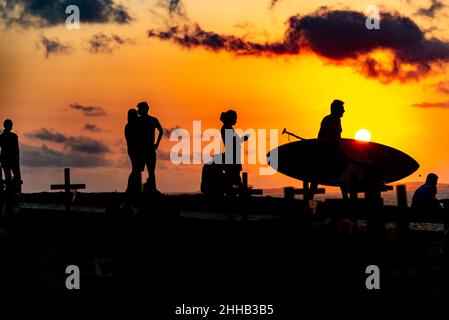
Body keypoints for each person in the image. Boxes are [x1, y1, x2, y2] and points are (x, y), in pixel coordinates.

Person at [310, 100, 346, 200]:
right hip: (328, 155)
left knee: (316, 179)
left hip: (328, 153)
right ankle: (347, 201)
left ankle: (309, 200)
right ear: (336, 109)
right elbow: (332, 139)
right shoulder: (332, 120)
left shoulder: (330, 119)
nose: (344, 111)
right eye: (342, 109)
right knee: (341, 176)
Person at [137, 101, 163, 193]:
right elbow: (161, 131)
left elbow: (161, 131)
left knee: (140, 171)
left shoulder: (139, 120)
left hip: (144, 149)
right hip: (148, 149)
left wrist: (157, 144)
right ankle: (152, 189)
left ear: (144, 109)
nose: (138, 111)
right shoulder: (152, 120)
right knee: (149, 171)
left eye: (139, 109)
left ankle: (150, 189)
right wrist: (157, 144)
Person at [220, 110, 249, 192]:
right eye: (234, 118)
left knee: (232, 179)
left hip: (233, 156)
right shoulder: (227, 128)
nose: (235, 120)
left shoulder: (227, 128)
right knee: (233, 178)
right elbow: (232, 142)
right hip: (232, 157)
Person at [0, 119, 21, 193]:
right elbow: (17, 150)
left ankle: (10, 191)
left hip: (5, 160)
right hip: (12, 160)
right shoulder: (14, 136)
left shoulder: (1, 137)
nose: (12, 126)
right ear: (8, 126)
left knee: (8, 177)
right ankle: (14, 191)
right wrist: (16, 158)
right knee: (15, 177)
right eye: (11, 125)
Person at [125, 109, 142, 194]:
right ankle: (131, 188)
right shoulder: (130, 126)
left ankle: (135, 188)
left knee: (137, 169)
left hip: (133, 150)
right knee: (136, 169)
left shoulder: (129, 125)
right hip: (134, 150)